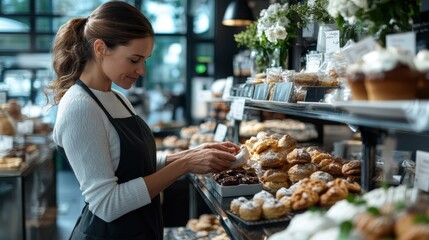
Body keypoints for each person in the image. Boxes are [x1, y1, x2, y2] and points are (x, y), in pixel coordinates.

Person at [48, 1, 240, 239]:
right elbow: (107, 205)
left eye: (145, 60)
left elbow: (131, 165)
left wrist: (189, 154)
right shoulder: (80, 106)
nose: (142, 71)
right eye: (134, 59)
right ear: (100, 48)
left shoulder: (117, 98)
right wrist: (185, 165)